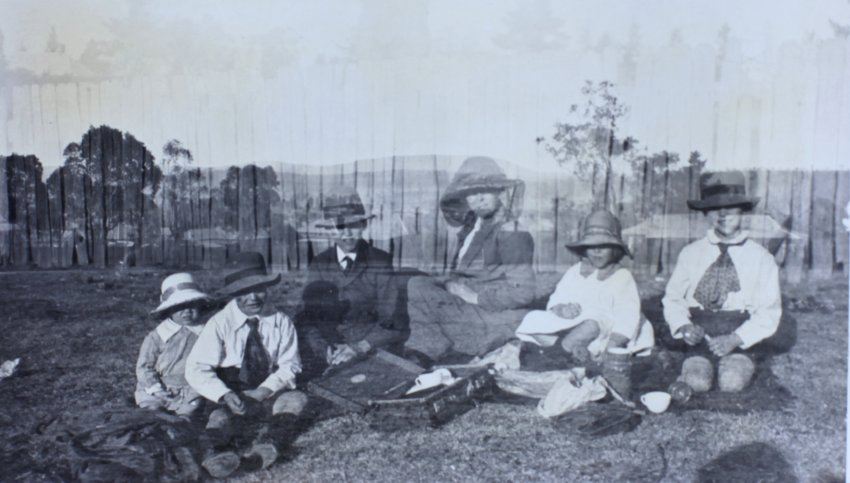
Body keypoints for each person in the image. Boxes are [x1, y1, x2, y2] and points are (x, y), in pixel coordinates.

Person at [403, 156, 536, 365]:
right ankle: (428, 347)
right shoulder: (474, 226)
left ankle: (434, 348)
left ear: (499, 190)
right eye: (471, 193)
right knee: (417, 283)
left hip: (494, 316)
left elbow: (523, 293)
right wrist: (445, 280)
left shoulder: (510, 231)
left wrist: (474, 296)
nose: (478, 199)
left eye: (485, 190)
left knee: (422, 291)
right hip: (469, 308)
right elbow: (471, 273)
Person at [185, 252, 307, 477]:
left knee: (295, 400)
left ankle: (268, 445)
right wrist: (224, 394)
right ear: (233, 294)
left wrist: (265, 390)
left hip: (266, 389)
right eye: (244, 292)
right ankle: (217, 454)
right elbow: (197, 367)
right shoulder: (219, 323)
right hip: (233, 392)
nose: (253, 298)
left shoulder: (281, 321)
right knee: (219, 418)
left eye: (259, 289)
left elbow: (290, 364)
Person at [662, 171, 782, 393]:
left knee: (732, 382)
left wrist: (736, 338)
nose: (723, 214)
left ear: (743, 210)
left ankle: (737, 365)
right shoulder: (691, 253)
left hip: (740, 338)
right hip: (700, 336)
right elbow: (673, 298)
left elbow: (769, 311)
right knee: (696, 383)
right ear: (705, 213)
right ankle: (695, 367)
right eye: (715, 208)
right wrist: (684, 326)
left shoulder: (761, 258)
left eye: (731, 207)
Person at [515, 210, 654, 362]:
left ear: (615, 250)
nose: (597, 251)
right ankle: (570, 348)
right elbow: (557, 298)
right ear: (584, 249)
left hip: (605, 328)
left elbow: (627, 315)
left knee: (591, 325)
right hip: (572, 323)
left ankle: (557, 353)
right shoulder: (575, 271)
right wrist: (561, 309)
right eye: (591, 246)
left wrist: (614, 342)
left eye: (603, 246)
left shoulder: (621, 276)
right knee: (532, 318)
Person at [296, 186, 406, 376]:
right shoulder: (320, 263)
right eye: (339, 227)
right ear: (329, 230)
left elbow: (392, 321)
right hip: (330, 351)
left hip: (370, 349)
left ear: (363, 225)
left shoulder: (379, 261)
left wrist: (359, 347)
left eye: (353, 226)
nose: (347, 233)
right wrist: (323, 348)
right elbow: (307, 316)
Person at [135, 272, 210, 416]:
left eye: (192, 305)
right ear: (169, 309)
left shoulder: (206, 332)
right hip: (160, 386)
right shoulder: (158, 336)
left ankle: (184, 420)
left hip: (191, 388)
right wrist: (156, 388)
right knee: (152, 411)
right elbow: (144, 366)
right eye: (180, 307)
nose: (187, 312)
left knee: (189, 413)